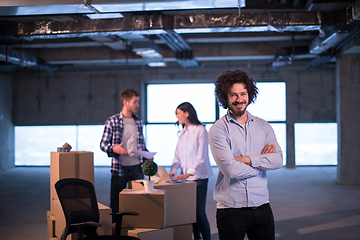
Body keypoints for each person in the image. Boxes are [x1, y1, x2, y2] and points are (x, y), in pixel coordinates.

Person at [208, 70, 283, 240]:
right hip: (231, 209)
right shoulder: (218, 129)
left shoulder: (263, 126)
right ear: (225, 98)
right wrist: (261, 165)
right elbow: (231, 171)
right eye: (233, 95)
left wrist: (247, 160)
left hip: (262, 205)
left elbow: (278, 160)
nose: (239, 99)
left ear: (249, 94)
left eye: (243, 93)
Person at [100, 89, 152, 222]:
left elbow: (140, 144)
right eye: (135, 102)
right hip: (120, 168)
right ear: (125, 102)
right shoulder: (112, 121)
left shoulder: (138, 122)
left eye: (138, 102)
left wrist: (147, 154)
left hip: (137, 168)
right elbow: (103, 145)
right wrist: (114, 149)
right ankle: (116, 231)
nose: (138, 105)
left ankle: (135, 229)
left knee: (138, 201)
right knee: (116, 204)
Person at [169, 102, 213, 240]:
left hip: (199, 177)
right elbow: (177, 155)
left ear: (186, 113)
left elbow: (201, 156)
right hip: (186, 178)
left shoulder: (201, 130)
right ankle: (197, 238)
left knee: (199, 213)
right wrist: (172, 171)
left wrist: (188, 173)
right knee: (190, 213)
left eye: (178, 113)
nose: (177, 117)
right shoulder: (182, 132)